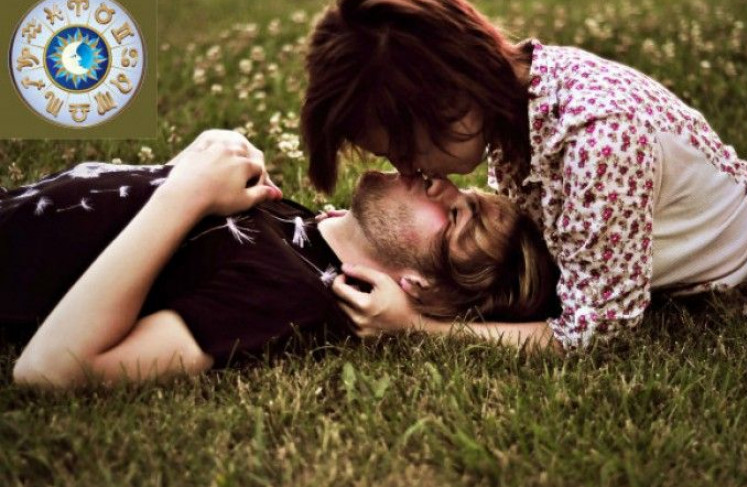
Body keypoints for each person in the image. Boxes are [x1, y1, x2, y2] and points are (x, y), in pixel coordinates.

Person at [301, 0, 747, 351]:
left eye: (403, 151)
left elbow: (593, 333)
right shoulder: (524, 100)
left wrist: (417, 325)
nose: (407, 170)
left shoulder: (599, 137)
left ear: (454, 107)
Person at [2, 130, 557, 388]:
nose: (441, 182)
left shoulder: (288, 297)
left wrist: (186, 192)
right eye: (462, 191)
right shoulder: (294, 220)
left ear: (418, 285)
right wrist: (192, 164)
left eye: (456, 217)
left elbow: (52, 370)